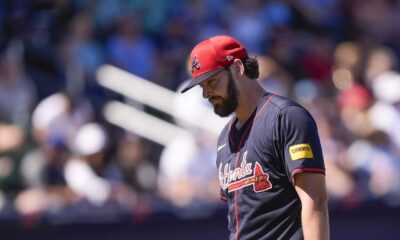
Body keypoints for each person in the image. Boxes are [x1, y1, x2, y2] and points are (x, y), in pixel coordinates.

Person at [181, 35, 329, 240]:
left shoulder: (286, 117)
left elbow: (315, 202)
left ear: (238, 69)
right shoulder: (224, 138)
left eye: (212, 81)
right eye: (202, 86)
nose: (207, 93)